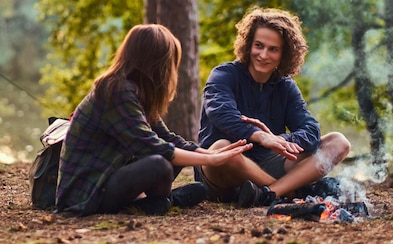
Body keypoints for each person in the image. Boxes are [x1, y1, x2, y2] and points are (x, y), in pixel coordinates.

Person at [56, 24, 253, 216]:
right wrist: (210, 159)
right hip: (88, 193)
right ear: (157, 63)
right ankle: (166, 201)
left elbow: (168, 139)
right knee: (159, 164)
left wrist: (210, 154)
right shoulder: (116, 90)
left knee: (171, 156)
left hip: (111, 177)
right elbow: (150, 146)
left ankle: (158, 202)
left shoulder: (139, 92)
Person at [195, 6, 351, 207]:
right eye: (258, 45)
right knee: (223, 149)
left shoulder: (285, 86)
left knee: (338, 142)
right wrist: (259, 135)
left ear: (284, 54)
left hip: (268, 164)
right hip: (222, 172)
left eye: (273, 49)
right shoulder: (223, 75)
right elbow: (221, 113)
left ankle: (269, 193)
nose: (263, 54)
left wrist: (281, 140)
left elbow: (311, 130)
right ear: (248, 44)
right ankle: (290, 192)